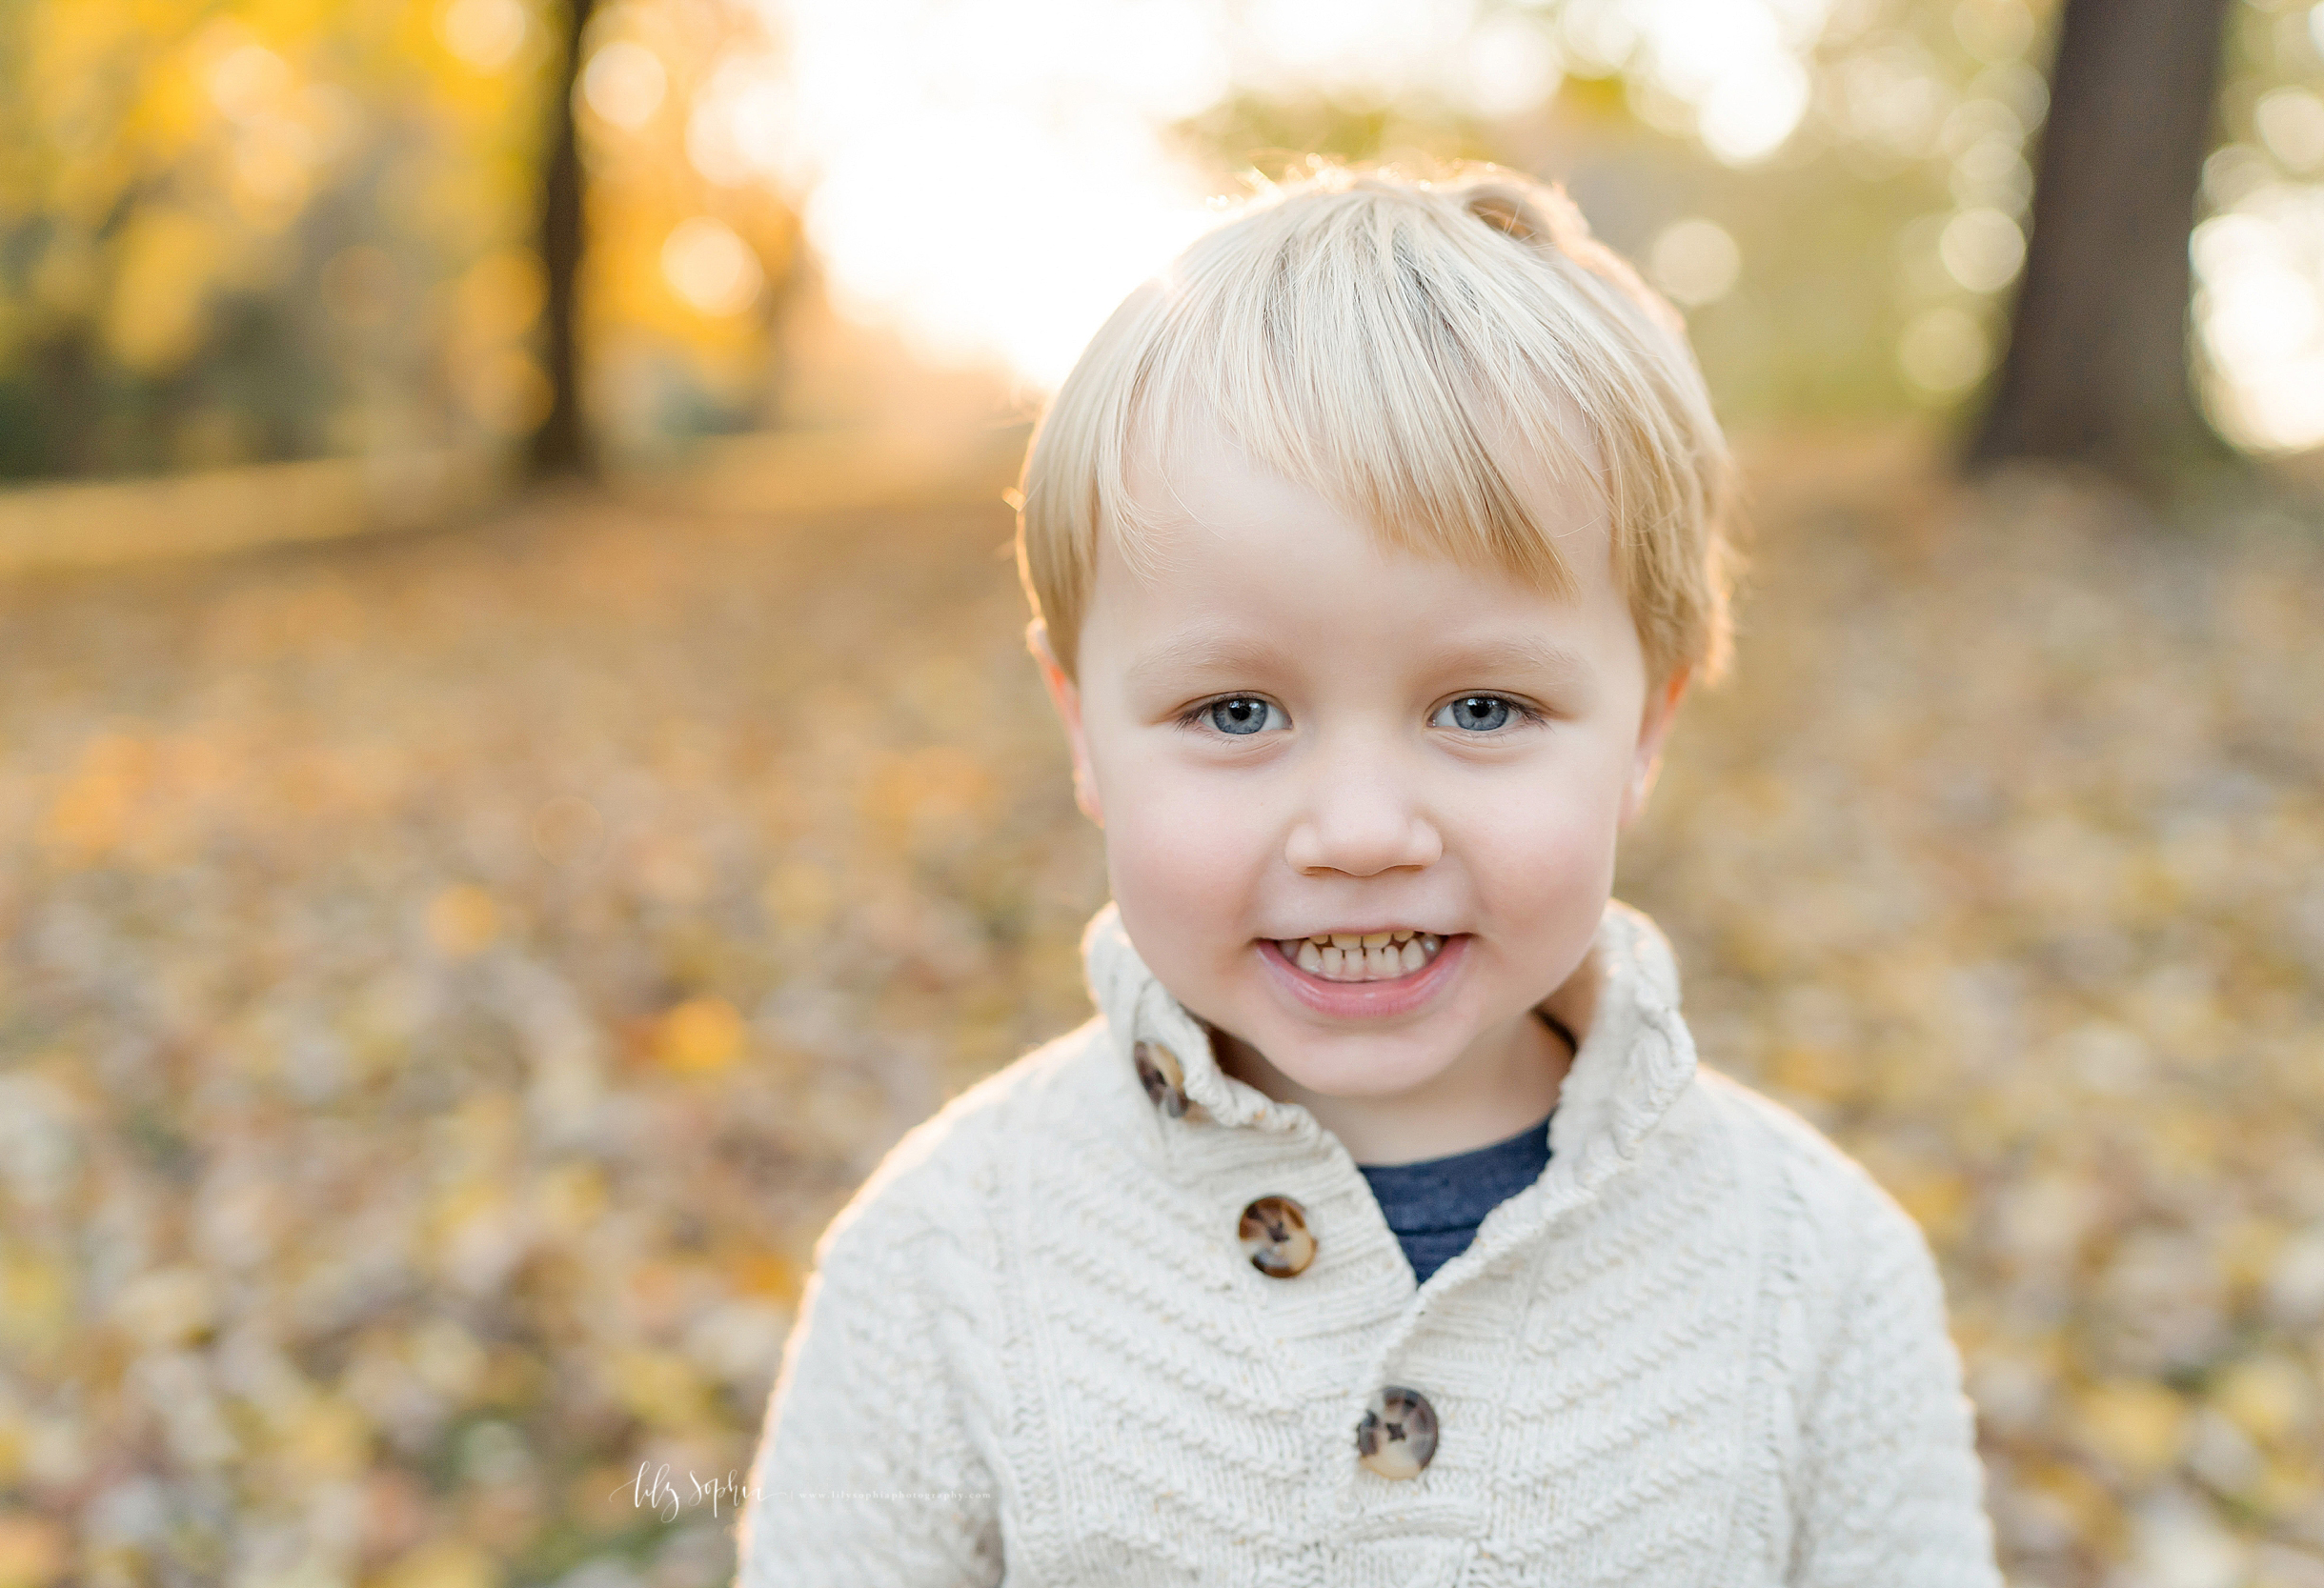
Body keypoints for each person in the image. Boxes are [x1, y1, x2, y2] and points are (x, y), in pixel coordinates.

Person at [732, 161, 2000, 1585]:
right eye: (1237, 714)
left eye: (1480, 710)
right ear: (1083, 731)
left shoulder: (1814, 1273)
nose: (1359, 831)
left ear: (1647, 728)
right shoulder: (946, 1262)